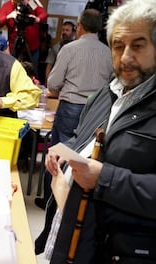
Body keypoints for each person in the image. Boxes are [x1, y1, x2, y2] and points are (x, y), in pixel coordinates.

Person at [42, 0, 156, 262]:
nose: (125, 57)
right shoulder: (104, 96)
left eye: (137, 46)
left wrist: (105, 179)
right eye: (118, 46)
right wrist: (65, 152)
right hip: (81, 240)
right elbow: (83, 138)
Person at [35, 9, 113, 211]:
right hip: (98, 112)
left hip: (70, 108)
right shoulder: (109, 52)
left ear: (80, 26)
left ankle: (50, 203)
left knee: (58, 155)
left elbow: (53, 83)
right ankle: (73, 204)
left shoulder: (69, 49)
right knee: (85, 158)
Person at [0, 0, 47, 74]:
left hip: (32, 48)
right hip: (14, 46)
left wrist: (38, 19)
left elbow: (43, 14)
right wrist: (8, 16)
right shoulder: (7, 6)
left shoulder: (31, 3)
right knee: (11, 71)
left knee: (33, 72)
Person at [44, 21, 76, 85]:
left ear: (73, 32)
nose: (64, 32)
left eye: (67, 30)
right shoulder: (56, 47)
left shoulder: (77, 47)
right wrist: (48, 82)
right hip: (57, 79)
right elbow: (49, 66)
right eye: (63, 30)